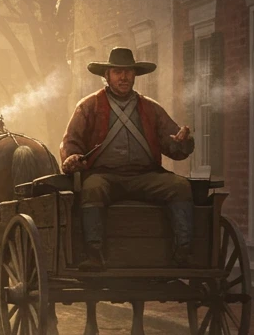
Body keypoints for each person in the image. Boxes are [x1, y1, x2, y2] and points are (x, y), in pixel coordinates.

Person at [60, 47, 195, 268]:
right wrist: (72, 157)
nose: (124, 77)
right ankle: (94, 254)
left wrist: (182, 141)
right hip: (105, 177)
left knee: (180, 186)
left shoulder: (151, 108)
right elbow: (71, 141)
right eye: (117, 72)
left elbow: (174, 146)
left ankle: (184, 250)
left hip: (146, 177)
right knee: (92, 188)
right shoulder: (88, 106)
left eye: (128, 72)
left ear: (135, 75)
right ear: (107, 76)